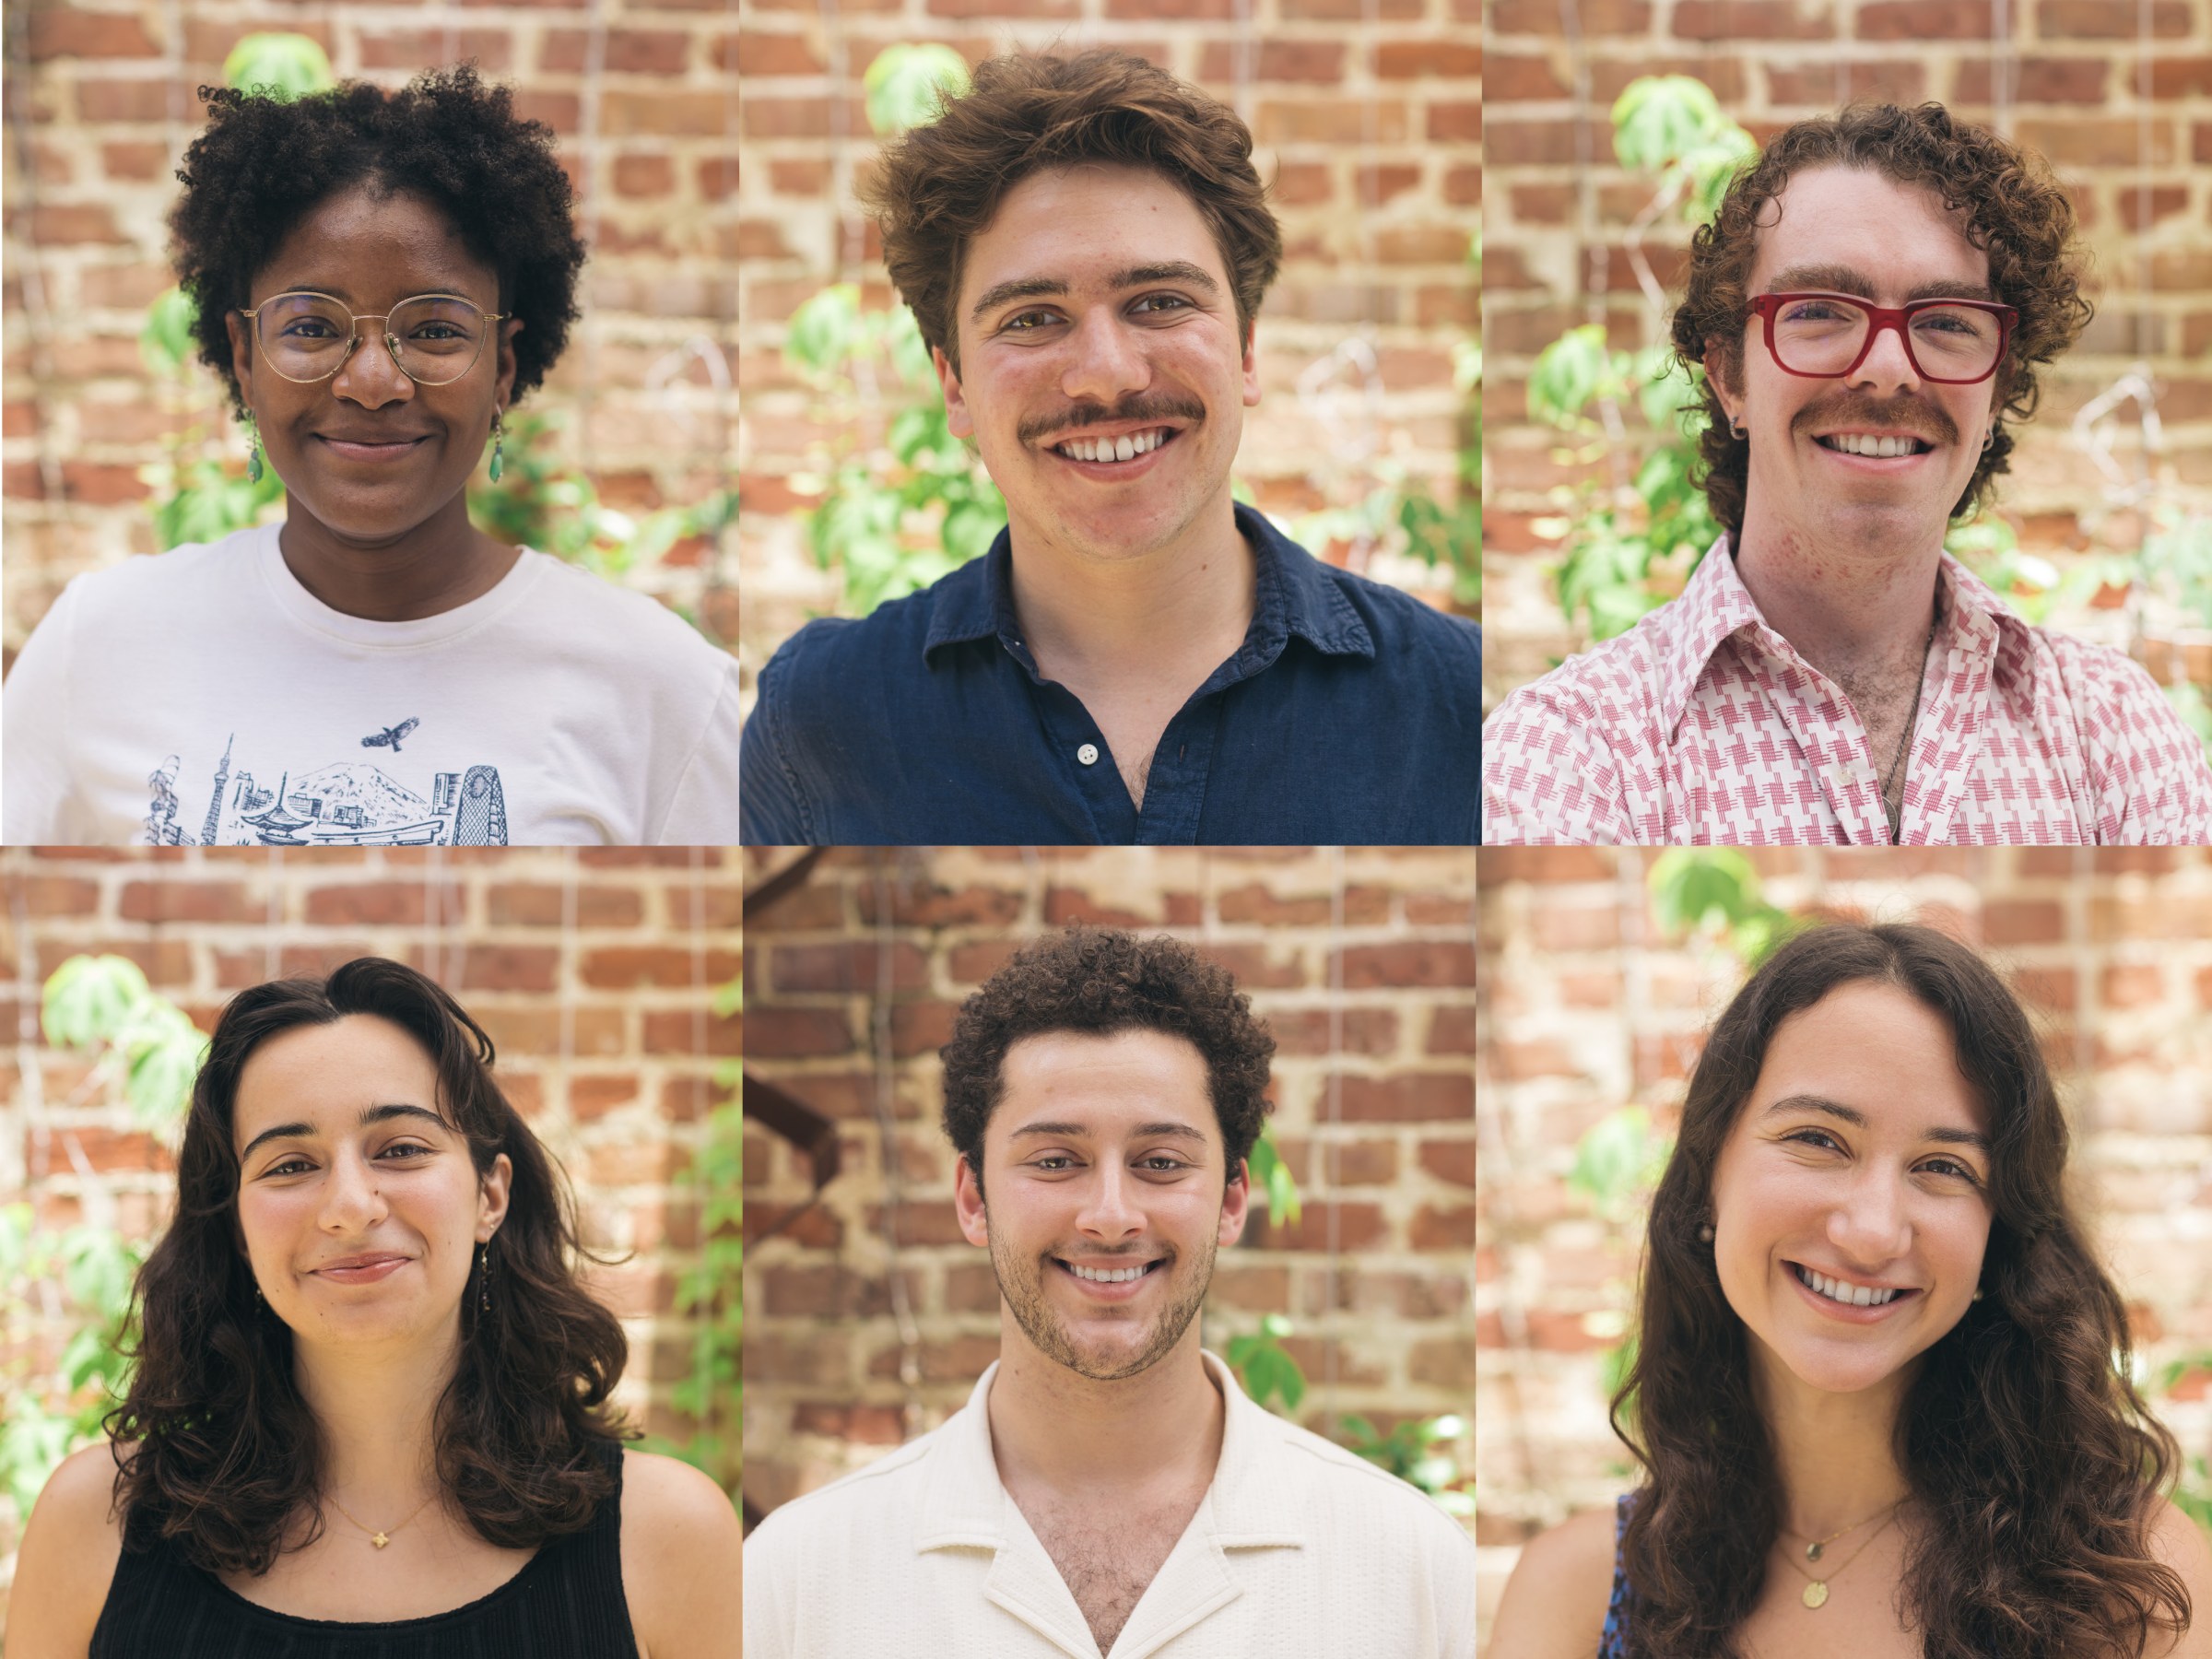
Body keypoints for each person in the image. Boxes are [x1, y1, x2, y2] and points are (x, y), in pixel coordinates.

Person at [738, 50, 1482, 845]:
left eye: (1159, 302)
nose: (1106, 377)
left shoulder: (1457, 701)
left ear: (1248, 352)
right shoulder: (817, 720)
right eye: (1031, 318)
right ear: (953, 385)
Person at [1, 66, 742, 846]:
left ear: (503, 368)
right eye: (312, 327)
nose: (373, 382)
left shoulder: (662, 685)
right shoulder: (101, 643)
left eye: (435, 330)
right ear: (245, 358)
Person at [1481, 102, 2212, 846]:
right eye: (1821, 311)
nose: (1888, 370)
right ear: (1729, 374)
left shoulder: (2117, 737)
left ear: (1997, 388)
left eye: (1948, 321)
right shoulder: (1573, 752)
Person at [742, 927, 1477, 1656]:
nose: (1111, 1218)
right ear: (973, 1199)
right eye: (1057, 1160)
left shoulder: (1413, 1568)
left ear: (1230, 1201)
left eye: (1160, 1161)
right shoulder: (797, 1578)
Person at [1486, 924, 2212, 1659]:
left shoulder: (2128, 1585)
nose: (1871, 1233)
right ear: (1709, 1174)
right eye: (1818, 1139)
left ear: (2000, 1235)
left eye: (1943, 1166)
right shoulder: (1574, 1593)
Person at [6, 957, 740, 1657]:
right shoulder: (94, 1522)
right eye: (291, 1165)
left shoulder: (667, 1536)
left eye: (400, 1149)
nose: (350, 1207)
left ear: (490, 1195)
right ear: (235, 1226)